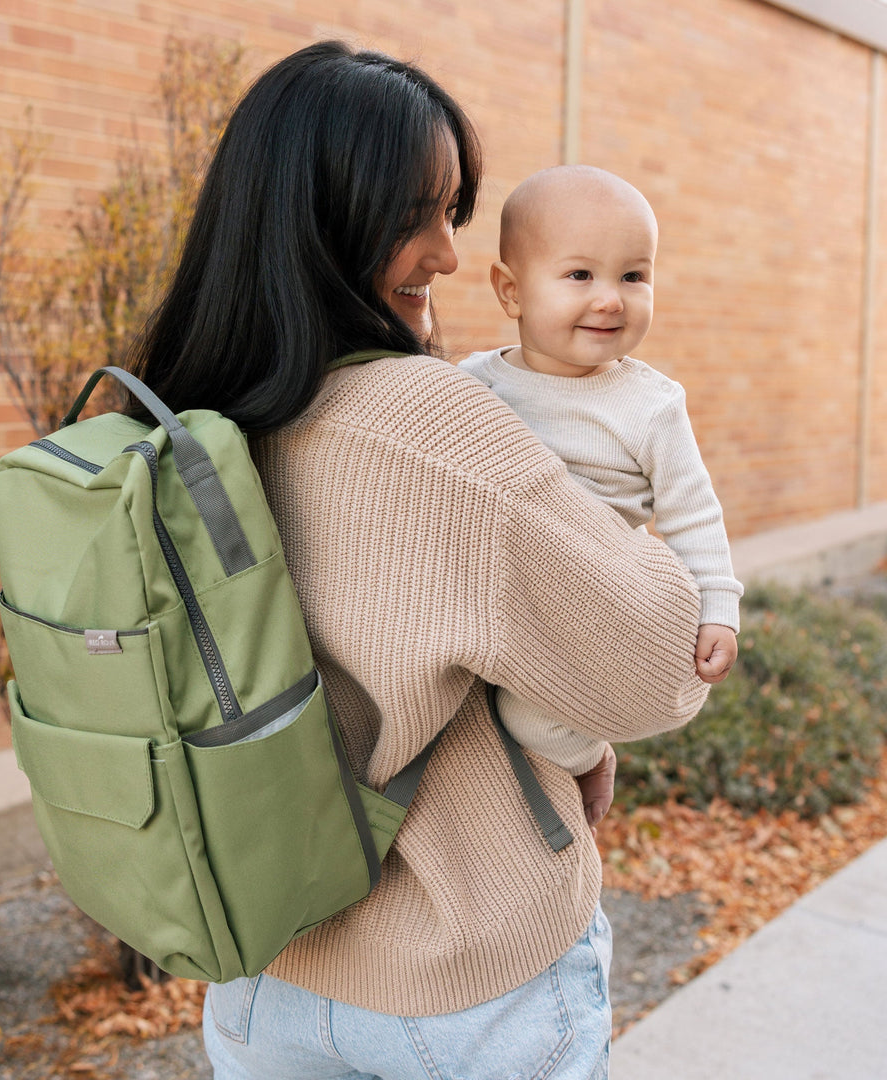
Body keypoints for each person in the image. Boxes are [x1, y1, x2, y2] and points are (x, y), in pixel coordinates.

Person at [130, 41, 709, 1080]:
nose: (446, 253)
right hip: (465, 982)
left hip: (263, 977)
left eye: (453, 214)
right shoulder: (430, 422)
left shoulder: (186, 416)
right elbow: (657, 664)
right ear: (329, 221)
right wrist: (632, 528)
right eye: (419, 216)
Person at [459, 166, 742, 825]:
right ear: (511, 290)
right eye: (581, 275)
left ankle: (586, 759)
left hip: (594, 604)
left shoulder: (650, 406)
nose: (611, 300)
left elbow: (694, 514)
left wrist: (718, 608)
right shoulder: (474, 384)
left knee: (530, 719)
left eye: (633, 276)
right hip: (501, 596)